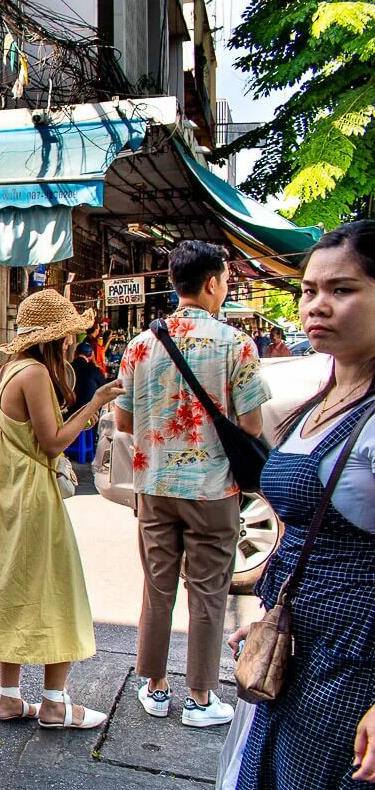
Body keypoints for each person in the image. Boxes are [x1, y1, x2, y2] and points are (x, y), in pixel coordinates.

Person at [226, 221, 375, 790]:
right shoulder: (326, 396)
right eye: (309, 290)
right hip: (297, 654)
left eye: (342, 290)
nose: (317, 304)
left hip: (355, 665)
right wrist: (272, 613)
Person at [115, 240, 269, 729]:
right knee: (208, 592)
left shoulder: (140, 345)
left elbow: (122, 421)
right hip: (213, 489)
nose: (225, 289)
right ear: (210, 283)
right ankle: (201, 698)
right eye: (224, 280)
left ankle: (155, 688)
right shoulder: (236, 343)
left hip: (155, 487)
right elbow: (250, 424)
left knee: (157, 587)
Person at [0, 290, 124, 730]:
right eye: (70, 336)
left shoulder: (10, 370)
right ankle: (55, 703)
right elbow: (54, 441)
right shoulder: (35, 373)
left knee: (13, 589)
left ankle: (10, 698)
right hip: (32, 498)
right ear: (56, 340)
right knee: (58, 591)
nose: (73, 344)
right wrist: (94, 406)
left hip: (7, 499)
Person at [72, 342, 107, 410]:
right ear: (91, 356)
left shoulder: (68, 367)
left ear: (75, 353)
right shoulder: (94, 370)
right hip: (89, 411)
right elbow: (104, 388)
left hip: (69, 410)